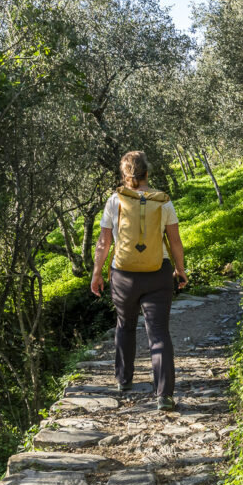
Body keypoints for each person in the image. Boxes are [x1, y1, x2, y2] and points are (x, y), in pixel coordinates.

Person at [90, 151, 189, 411]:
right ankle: (164, 394)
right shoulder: (163, 201)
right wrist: (180, 269)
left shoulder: (115, 201)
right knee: (158, 332)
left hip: (123, 275)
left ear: (125, 175)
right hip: (158, 273)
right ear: (147, 173)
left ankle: (124, 380)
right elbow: (175, 241)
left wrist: (97, 272)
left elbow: (104, 242)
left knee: (125, 325)